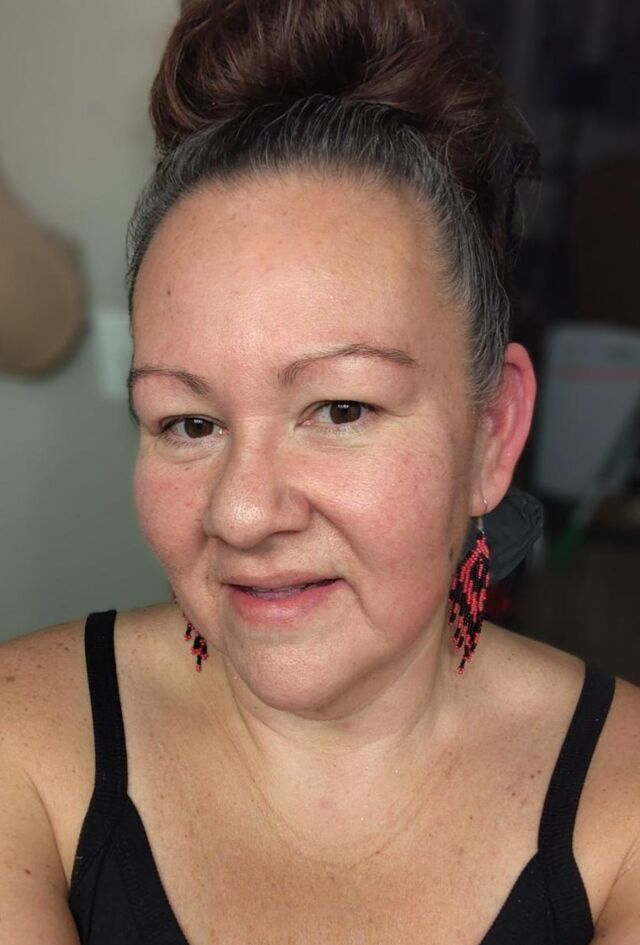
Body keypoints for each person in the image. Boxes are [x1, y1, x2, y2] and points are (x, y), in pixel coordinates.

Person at [1, 1, 639, 942]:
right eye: (188, 422)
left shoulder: (623, 810)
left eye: (341, 409)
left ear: (492, 434)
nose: (243, 512)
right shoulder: (21, 747)